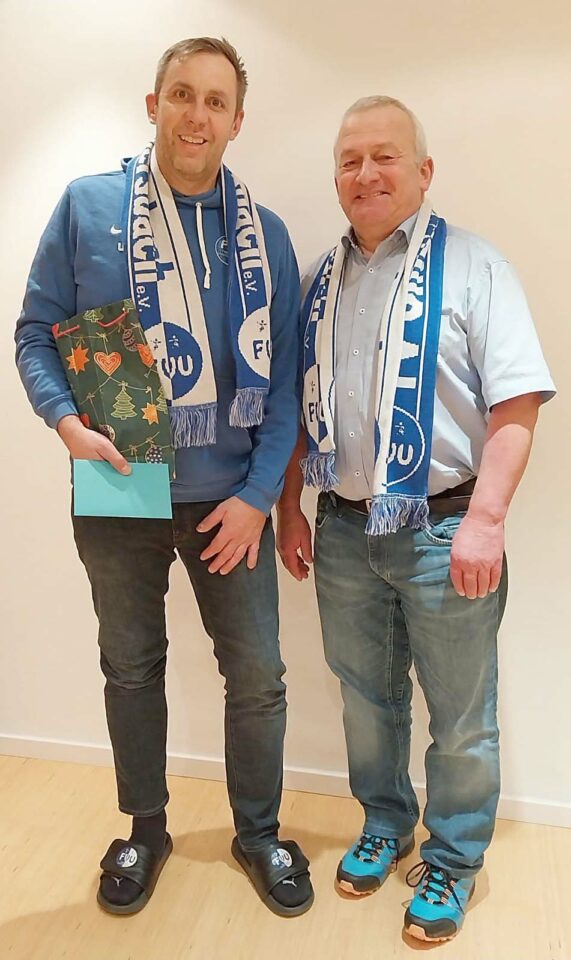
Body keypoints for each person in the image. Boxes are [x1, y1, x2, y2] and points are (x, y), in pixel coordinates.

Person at [15, 37, 314, 918]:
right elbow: (35, 331)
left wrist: (257, 499)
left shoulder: (266, 235)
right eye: (182, 94)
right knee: (131, 668)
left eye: (216, 101)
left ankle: (258, 833)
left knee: (257, 676)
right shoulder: (88, 207)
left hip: (231, 500)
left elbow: (286, 382)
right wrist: (65, 422)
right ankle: (145, 830)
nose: (196, 115)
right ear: (154, 105)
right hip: (121, 488)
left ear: (237, 121)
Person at [277, 95, 555, 942]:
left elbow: (516, 403)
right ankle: (385, 822)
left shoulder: (475, 267)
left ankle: (455, 858)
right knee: (366, 699)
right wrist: (290, 508)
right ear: (336, 177)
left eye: (384, 156)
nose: (365, 173)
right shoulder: (319, 282)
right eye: (349, 160)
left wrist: (487, 521)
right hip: (344, 531)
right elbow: (297, 409)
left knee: (462, 714)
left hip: (444, 531)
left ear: (423, 171)